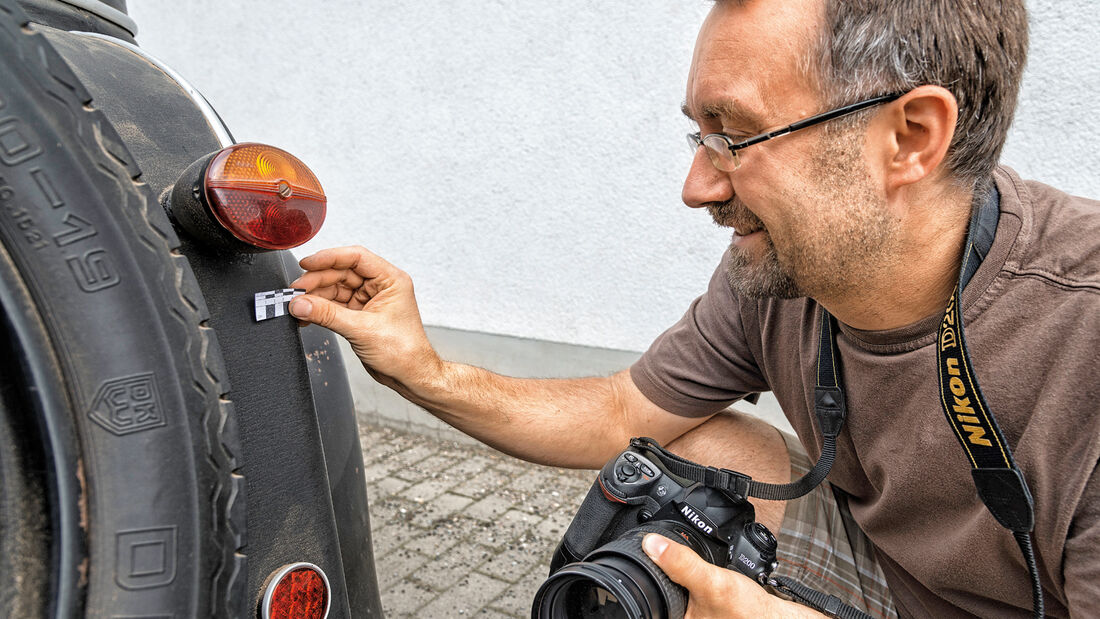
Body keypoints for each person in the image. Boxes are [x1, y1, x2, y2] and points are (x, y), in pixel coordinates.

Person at [288, 0, 1100, 616]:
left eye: (735, 136)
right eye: (699, 135)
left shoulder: (1082, 337)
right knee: (704, 445)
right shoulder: (779, 269)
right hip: (888, 579)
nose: (698, 186)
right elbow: (617, 410)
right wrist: (422, 368)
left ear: (911, 137)